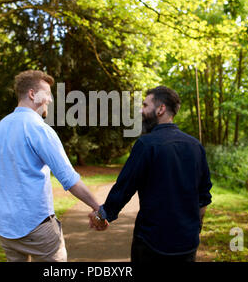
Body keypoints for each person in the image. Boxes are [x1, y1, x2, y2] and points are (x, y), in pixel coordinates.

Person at [0, 70, 103, 262]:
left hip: (5, 227)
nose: (50, 99)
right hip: (36, 227)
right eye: (47, 94)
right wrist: (98, 208)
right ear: (33, 94)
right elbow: (69, 178)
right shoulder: (39, 128)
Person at [89, 86, 212, 262]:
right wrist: (195, 228)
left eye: (145, 105)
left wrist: (102, 216)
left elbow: (124, 188)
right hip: (187, 244)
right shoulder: (195, 146)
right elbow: (204, 197)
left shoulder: (146, 144)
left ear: (160, 109)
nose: (141, 110)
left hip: (151, 243)